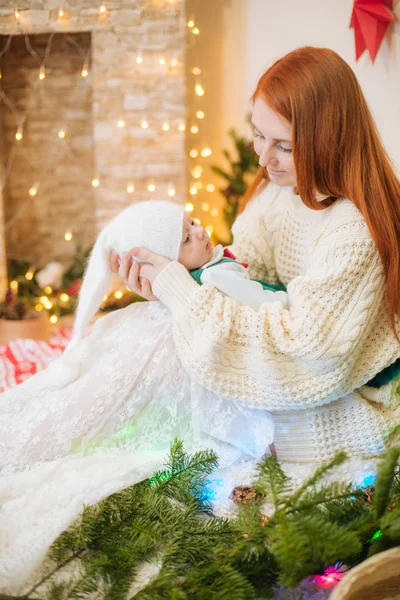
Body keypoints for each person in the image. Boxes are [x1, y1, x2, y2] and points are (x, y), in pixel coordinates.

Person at [111, 46, 400, 470]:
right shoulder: (280, 192)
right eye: (259, 135)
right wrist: (175, 283)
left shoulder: (353, 231)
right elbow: (238, 274)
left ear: (329, 139)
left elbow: (307, 354)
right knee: (148, 334)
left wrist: (185, 297)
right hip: (296, 382)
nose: (263, 159)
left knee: (167, 365)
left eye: (283, 145)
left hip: (341, 406)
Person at [0, 199, 281, 593]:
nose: (200, 231)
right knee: (102, 372)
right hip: (173, 338)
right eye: (185, 237)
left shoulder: (212, 271)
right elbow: (265, 304)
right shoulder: (213, 280)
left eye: (194, 223)